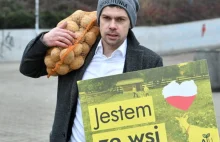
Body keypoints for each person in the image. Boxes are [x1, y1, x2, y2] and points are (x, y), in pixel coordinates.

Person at [19, 0, 163, 141]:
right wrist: (44, 41)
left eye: (120, 19)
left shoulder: (149, 62)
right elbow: (28, 68)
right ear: (98, 19)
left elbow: (158, 118)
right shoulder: (75, 51)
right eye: (106, 18)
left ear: (131, 23)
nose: (112, 26)